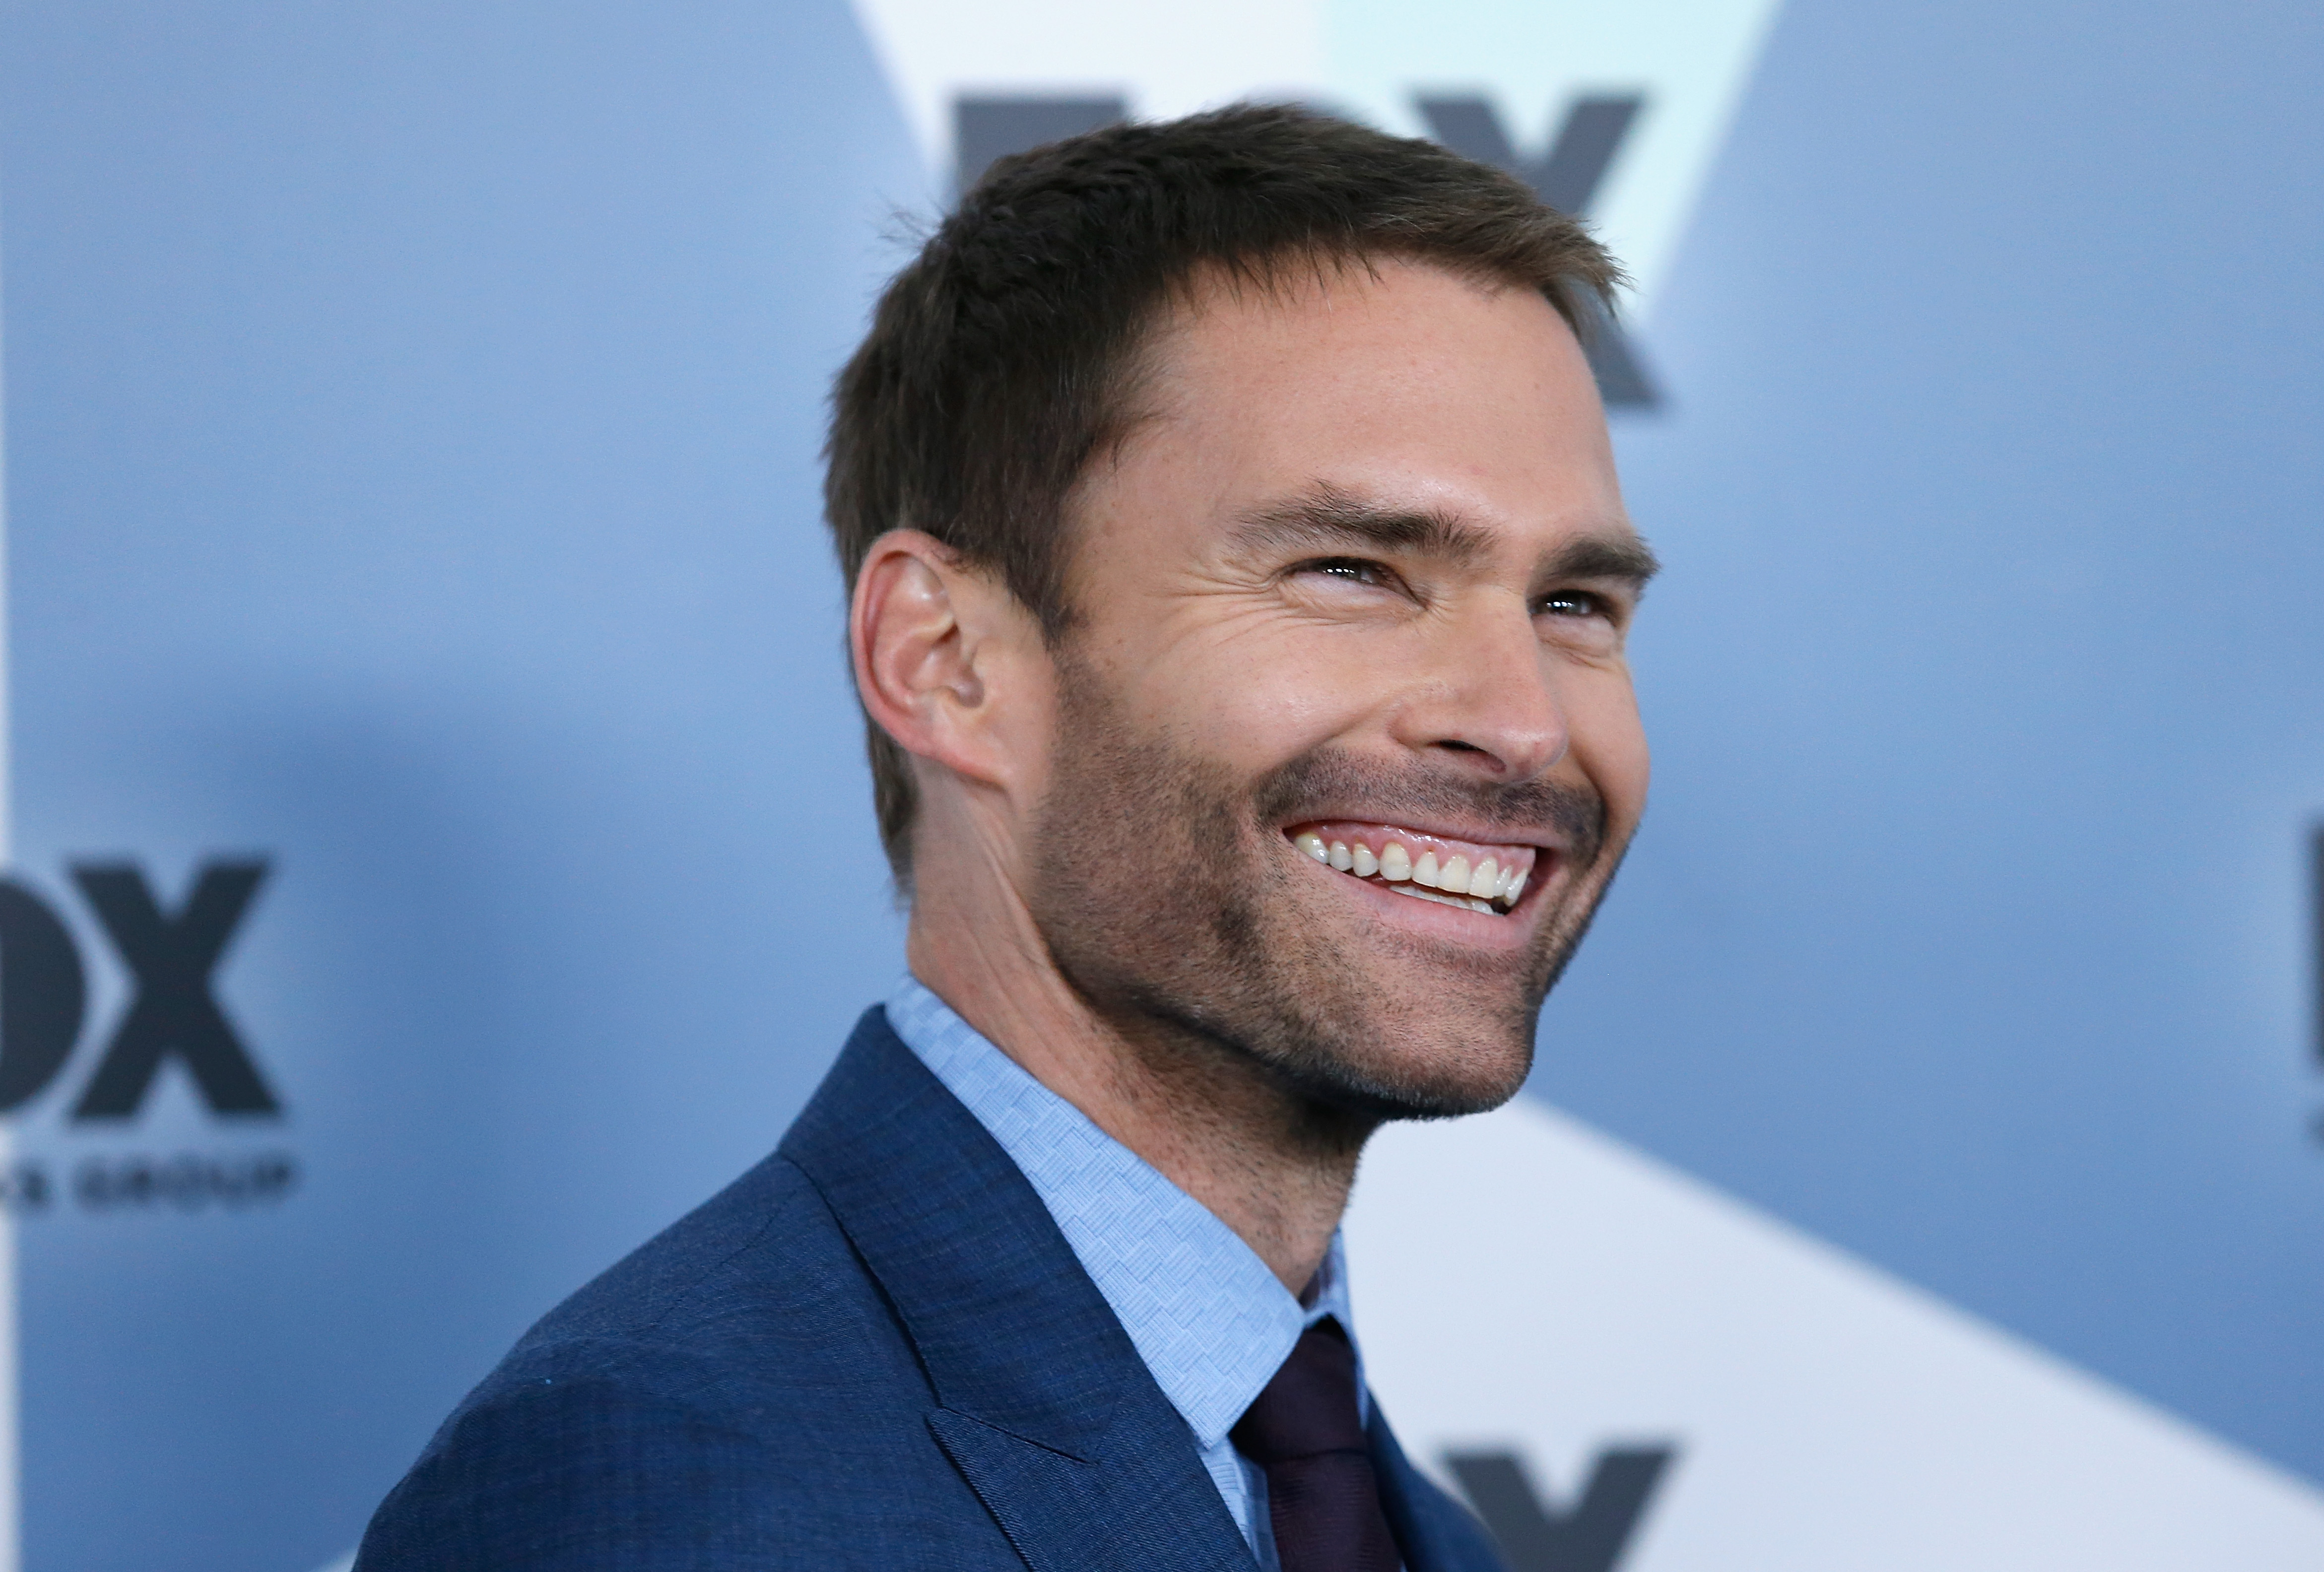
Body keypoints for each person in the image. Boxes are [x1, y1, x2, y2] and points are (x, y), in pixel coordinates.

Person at [358, 102, 1656, 1571]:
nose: (1527, 721)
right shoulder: (669, 1480)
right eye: (1352, 571)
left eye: (1576, 606)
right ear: (948, 660)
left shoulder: (1404, 1524)